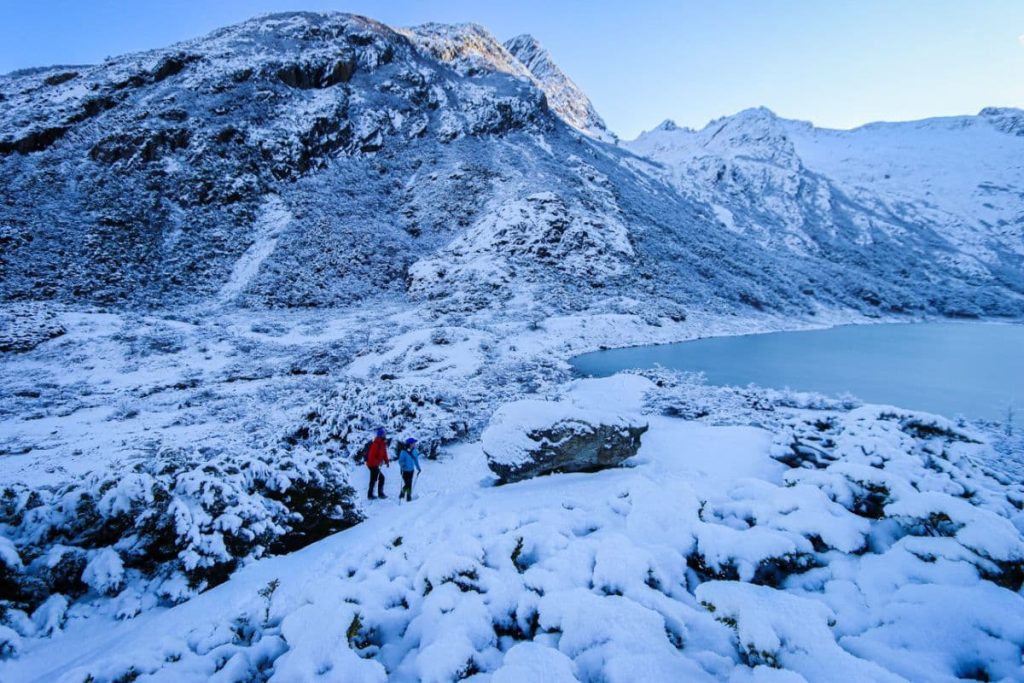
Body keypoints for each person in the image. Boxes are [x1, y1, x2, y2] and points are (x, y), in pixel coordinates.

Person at [366, 428, 390, 500]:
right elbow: (371, 456)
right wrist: (378, 462)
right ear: (381, 435)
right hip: (372, 465)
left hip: (376, 464)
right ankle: (378, 494)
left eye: (385, 434)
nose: (385, 435)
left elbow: (384, 453)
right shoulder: (376, 444)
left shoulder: (382, 443)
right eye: (384, 434)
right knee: (379, 478)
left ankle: (371, 495)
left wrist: (386, 461)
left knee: (374, 479)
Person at [397, 437, 422, 502]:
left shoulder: (415, 451)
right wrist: (402, 464)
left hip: (411, 470)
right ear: (410, 444)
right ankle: (403, 494)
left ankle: (408, 496)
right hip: (404, 471)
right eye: (413, 443)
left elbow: (416, 460)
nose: (415, 444)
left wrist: (418, 468)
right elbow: (400, 461)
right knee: (408, 484)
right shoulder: (403, 451)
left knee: (409, 484)